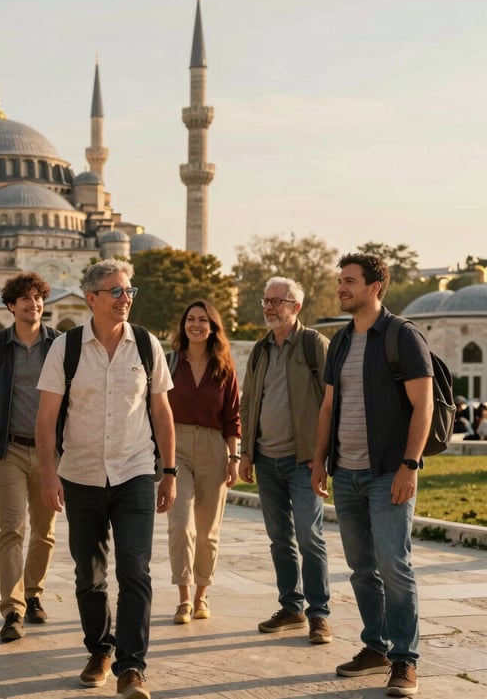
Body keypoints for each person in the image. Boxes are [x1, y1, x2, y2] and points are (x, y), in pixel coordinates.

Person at [35, 259, 176, 699]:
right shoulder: (67, 348)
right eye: (115, 291)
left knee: (135, 569)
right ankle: (100, 649)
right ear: (91, 298)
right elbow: (46, 418)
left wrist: (168, 472)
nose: (125, 298)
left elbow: (162, 412)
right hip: (81, 475)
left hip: (134, 472)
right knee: (89, 574)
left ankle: (132, 667)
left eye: (128, 290)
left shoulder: (148, 346)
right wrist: (48, 475)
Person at [312, 253, 434, 698]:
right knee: (362, 568)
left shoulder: (402, 336)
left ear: (374, 286)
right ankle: (375, 647)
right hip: (346, 473)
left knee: (393, 565)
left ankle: (405, 660)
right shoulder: (341, 340)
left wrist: (410, 464)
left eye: (349, 281)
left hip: (389, 472)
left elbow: (424, 406)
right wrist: (320, 460)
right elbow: (328, 406)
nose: (341, 288)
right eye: (339, 281)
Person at [239, 277, 332, 644]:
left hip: (304, 461)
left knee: (310, 535)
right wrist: (246, 452)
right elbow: (248, 402)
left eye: (277, 301)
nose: (269, 307)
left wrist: (323, 457)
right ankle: (291, 608)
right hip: (266, 459)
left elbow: (332, 401)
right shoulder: (260, 350)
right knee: (280, 538)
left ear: (296, 307)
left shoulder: (313, 345)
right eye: (266, 300)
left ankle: (319, 614)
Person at [0, 272, 59, 642]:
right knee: (11, 529)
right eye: (25, 299)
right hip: (9, 449)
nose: (33, 304)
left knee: (45, 531)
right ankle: (13, 610)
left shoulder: (60, 345)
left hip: (51, 452)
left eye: (38, 298)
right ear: (11, 306)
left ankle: (34, 593)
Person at [166, 299, 240, 625]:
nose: (196, 324)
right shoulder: (169, 363)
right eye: (190, 319)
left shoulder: (224, 367)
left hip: (214, 448)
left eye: (203, 320)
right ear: (184, 325)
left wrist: (234, 456)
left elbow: (232, 418)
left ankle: (201, 596)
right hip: (176, 447)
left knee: (208, 531)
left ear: (212, 327)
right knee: (181, 524)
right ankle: (183, 598)